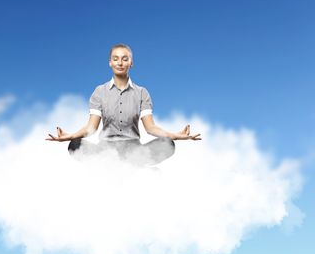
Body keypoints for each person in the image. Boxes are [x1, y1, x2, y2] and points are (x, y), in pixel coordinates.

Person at [46, 43, 201, 165]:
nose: (120, 62)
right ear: (110, 63)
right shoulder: (99, 92)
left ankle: (128, 164)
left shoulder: (142, 93)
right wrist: (70, 136)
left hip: (134, 149)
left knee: (168, 144)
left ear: (131, 63)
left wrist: (176, 136)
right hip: (105, 149)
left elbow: (150, 128)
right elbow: (91, 128)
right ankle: (117, 165)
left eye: (125, 59)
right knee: (75, 145)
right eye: (115, 58)